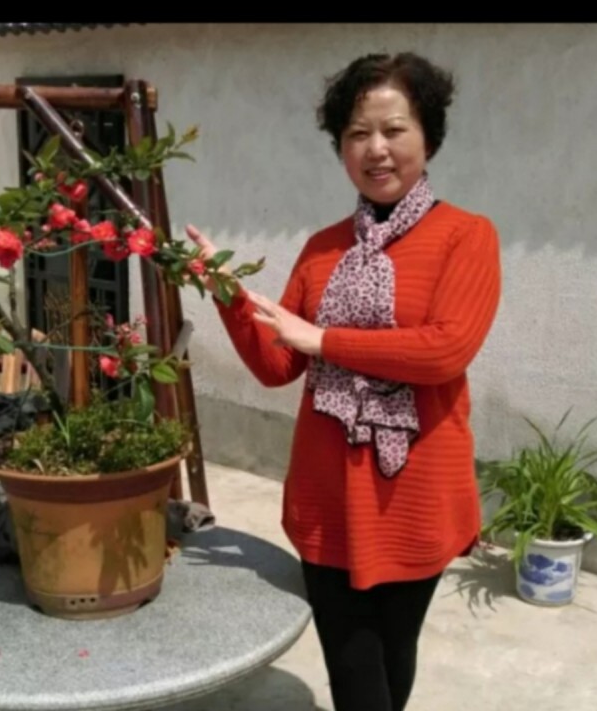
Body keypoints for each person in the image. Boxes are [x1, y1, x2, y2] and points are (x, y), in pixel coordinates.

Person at [186, 51, 501, 711]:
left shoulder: (466, 237)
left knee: (394, 654)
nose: (376, 149)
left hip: (415, 499)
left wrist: (324, 339)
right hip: (328, 498)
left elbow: (445, 350)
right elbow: (278, 365)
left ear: (429, 137)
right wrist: (226, 292)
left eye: (394, 129)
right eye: (358, 133)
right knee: (356, 670)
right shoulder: (322, 248)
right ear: (340, 147)